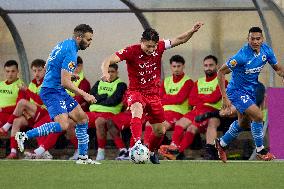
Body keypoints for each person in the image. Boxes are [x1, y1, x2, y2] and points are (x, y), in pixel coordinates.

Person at [101, 22, 204, 164]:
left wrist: (192, 30)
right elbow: (109, 59)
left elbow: (179, 39)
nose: (151, 49)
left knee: (160, 131)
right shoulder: (131, 51)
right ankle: (137, 145)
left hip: (154, 96)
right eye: (147, 46)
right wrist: (105, 73)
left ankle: (151, 151)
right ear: (141, 42)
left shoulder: (160, 47)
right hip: (136, 92)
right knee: (136, 108)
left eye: (153, 46)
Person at [15, 24, 98, 164]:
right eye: (88, 40)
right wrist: (85, 94)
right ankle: (24, 136)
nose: (90, 43)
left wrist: (67, 76)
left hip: (57, 89)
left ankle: (83, 158)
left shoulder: (63, 44)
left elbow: (48, 65)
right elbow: (66, 83)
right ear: (79, 37)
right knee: (63, 125)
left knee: (82, 119)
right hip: (52, 91)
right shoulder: (72, 52)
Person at [215, 27, 284, 163]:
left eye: (258, 38)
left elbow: (278, 69)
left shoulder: (266, 51)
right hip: (236, 91)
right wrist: (225, 97)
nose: (255, 41)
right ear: (248, 39)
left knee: (243, 122)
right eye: (252, 38)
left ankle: (221, 143)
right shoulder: (241, 56)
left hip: (250, 90)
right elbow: (221, 72)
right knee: (258, 115)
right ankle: (260, 150)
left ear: (262, 39)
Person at [159, 55, 225, 160]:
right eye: (206, 65)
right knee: (180, 123)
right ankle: (174, 146)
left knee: (191, 128)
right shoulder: (199, 81)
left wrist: (201, 97)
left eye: (211, 65)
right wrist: (206, 97)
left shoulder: (222, 81)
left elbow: (214, 98)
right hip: (197, 110)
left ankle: (177, 152)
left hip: (211, 111)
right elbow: (192, 100)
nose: (208, 68)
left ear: (217, 66)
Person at [143, 55, 194, 146]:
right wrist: (171, 98)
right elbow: (159, 99)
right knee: (148, 123)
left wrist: (166, 97)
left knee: (161, 126)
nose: (176, 69)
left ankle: (153, 148)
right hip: (164, 112)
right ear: (171, 66)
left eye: (179, 66)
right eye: (174, 66)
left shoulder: (188, 81)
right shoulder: (166, 81)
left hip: (179, 113)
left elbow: (179, 99)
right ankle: (146, 147)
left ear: (183, 66)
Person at [87, 63, 127, 160]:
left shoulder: (121, 84)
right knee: (72, 121)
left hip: (109, 113)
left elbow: (113, 101)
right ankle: (78, 151)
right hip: (93, 113)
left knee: (99, 121)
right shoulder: (99, 82)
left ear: (117, 72)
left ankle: (101, 152)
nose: (110, 74)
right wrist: (104, 96)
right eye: (107, 72)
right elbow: (90, 97)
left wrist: (98, 99)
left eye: (112, 72)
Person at [0, 60, 25, 130]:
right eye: (7, 71)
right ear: (4, 72)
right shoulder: (1, 84)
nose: (10, 74)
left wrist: (2, 109)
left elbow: (20, 107)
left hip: (11, 116)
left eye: (13, 71)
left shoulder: (21, 86)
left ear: (17, 71)